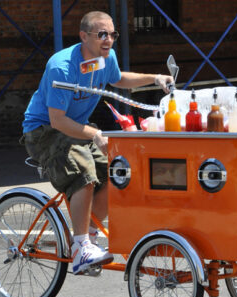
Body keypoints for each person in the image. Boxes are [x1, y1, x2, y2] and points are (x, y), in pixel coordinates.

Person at [22, 11, 173, 274]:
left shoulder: (105, 57)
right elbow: (57, 121)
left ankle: (89, 235)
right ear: (83, 36)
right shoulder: (62, 67)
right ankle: (81, 248)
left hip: (77, 129)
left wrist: (155, 78)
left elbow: (118, 78)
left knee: (118, 172)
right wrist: (93, 134)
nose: (108, 40)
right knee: (85, 174)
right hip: (43, 131)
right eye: (102, 34)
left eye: (112, 34)